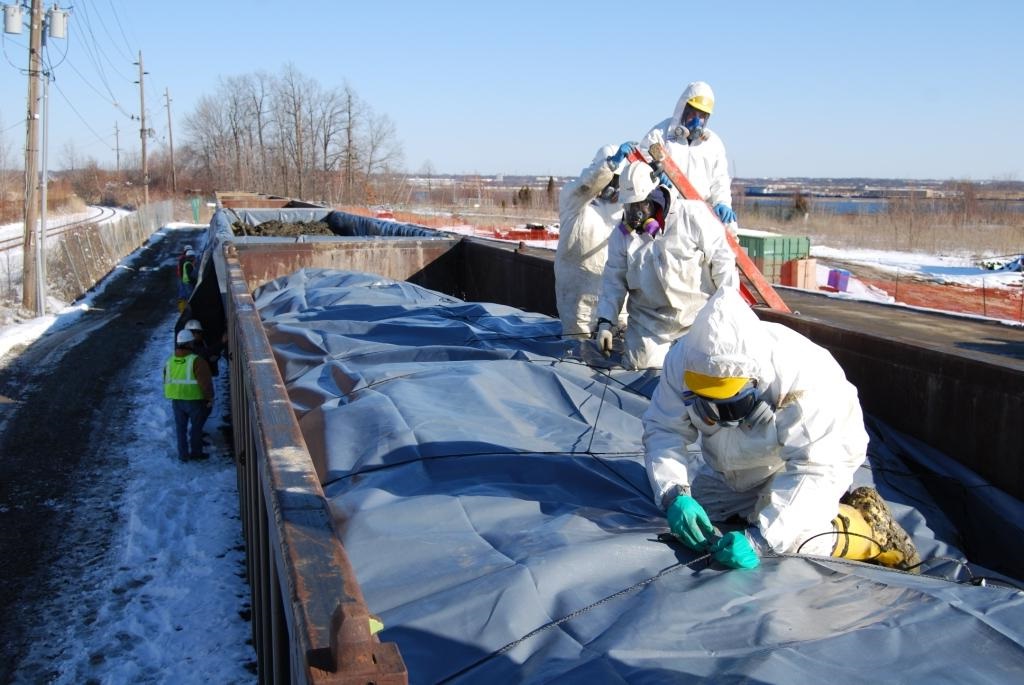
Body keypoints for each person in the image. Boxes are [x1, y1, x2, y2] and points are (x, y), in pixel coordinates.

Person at [642, 287, 920, 570]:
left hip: (807, 462)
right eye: (706, 406)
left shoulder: (805, 379)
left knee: (796, 540)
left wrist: (761, 540)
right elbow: (664, 429)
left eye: (730, 407)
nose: (717, 417)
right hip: (735, 466)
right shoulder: (683, 361)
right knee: (704, 516)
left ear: (757, 382)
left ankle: (870, 529)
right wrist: (675, 494)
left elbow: (816, 469)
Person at [593, 160, 737, 370]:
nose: (634, 215)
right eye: (628, 206)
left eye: (638, 205)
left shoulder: (692, 216)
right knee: (640, 374)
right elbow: (613, 280)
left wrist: (726, 310)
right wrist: (606, 321)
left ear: (654, 199)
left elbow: (723, 262)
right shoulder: (621, 236)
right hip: (649, 324)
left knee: (703, 377)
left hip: (697, 320)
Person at [640, 81, 737, 234]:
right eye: (692, 113)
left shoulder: (713, 144)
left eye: (702, 116)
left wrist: (723, 203)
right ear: (683, 110)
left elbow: (720, 179)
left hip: (700, 212)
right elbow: (642, 160)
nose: (697, 120)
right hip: (666, 209)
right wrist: (656, 176)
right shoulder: (661, 134)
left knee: (729, 232)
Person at [554, 143, 629, 337]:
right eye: (610, 181)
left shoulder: (622, 211)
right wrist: (609, 167)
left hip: (614, 297)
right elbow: (586, 185)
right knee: (578, 349)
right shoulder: (575, 201)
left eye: (618, 181)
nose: (613, 188)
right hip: (578, 296)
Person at [163, 328, 213, 461]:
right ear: (190, 344)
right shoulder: (197, 361)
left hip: (177, 401)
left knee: (181, 429)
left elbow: (166, 379)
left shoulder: (170, 361)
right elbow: (205, 383)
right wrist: (209, 398)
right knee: (196, 429)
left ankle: (183, 455)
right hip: (194, 400)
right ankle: (196, 453)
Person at [177, 246, 197, 312]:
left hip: (184, 280)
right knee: (187, 296)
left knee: (184, 295)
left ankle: (184, 309)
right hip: (186, 281)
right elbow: (189, 274)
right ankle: (187, 310)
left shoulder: (184, 260)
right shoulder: (187, 263)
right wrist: (194, 281)